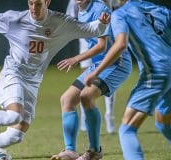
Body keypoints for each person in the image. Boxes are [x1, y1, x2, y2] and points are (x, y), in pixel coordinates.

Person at [0, 0, 110, 160]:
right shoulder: (15, 19)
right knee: (13, 115)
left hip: (33, 83)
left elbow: (91, 29)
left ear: (47, 2)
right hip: (13, 74)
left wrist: (102, 23)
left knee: (15, 135)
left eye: (38, 4)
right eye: (30, 3)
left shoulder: (60, 22)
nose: (33, 8)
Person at [84, 0, 171, 159]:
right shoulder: (156, 9)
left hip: (156, 71)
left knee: (127, 130)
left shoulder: (120, 14)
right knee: (163, 121)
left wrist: (96, 71)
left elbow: (120, 44)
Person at [51, 0, 132, 160]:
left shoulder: (98, 9)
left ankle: (94, 151)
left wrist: (76, 58)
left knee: (86, 96)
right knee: (67, 99)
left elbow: (102, 45)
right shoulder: (79, 10)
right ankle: (70, 151)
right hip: (98, 63)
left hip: (116, 63)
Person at [66, 0, 116, 133]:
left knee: (107, 78)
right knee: (86, 81)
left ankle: (109, 115)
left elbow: (117, 9)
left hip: (106, 39)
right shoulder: (76, 2)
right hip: (86, 40)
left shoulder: (101, 6)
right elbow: (69, 19)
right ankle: (84, 117)